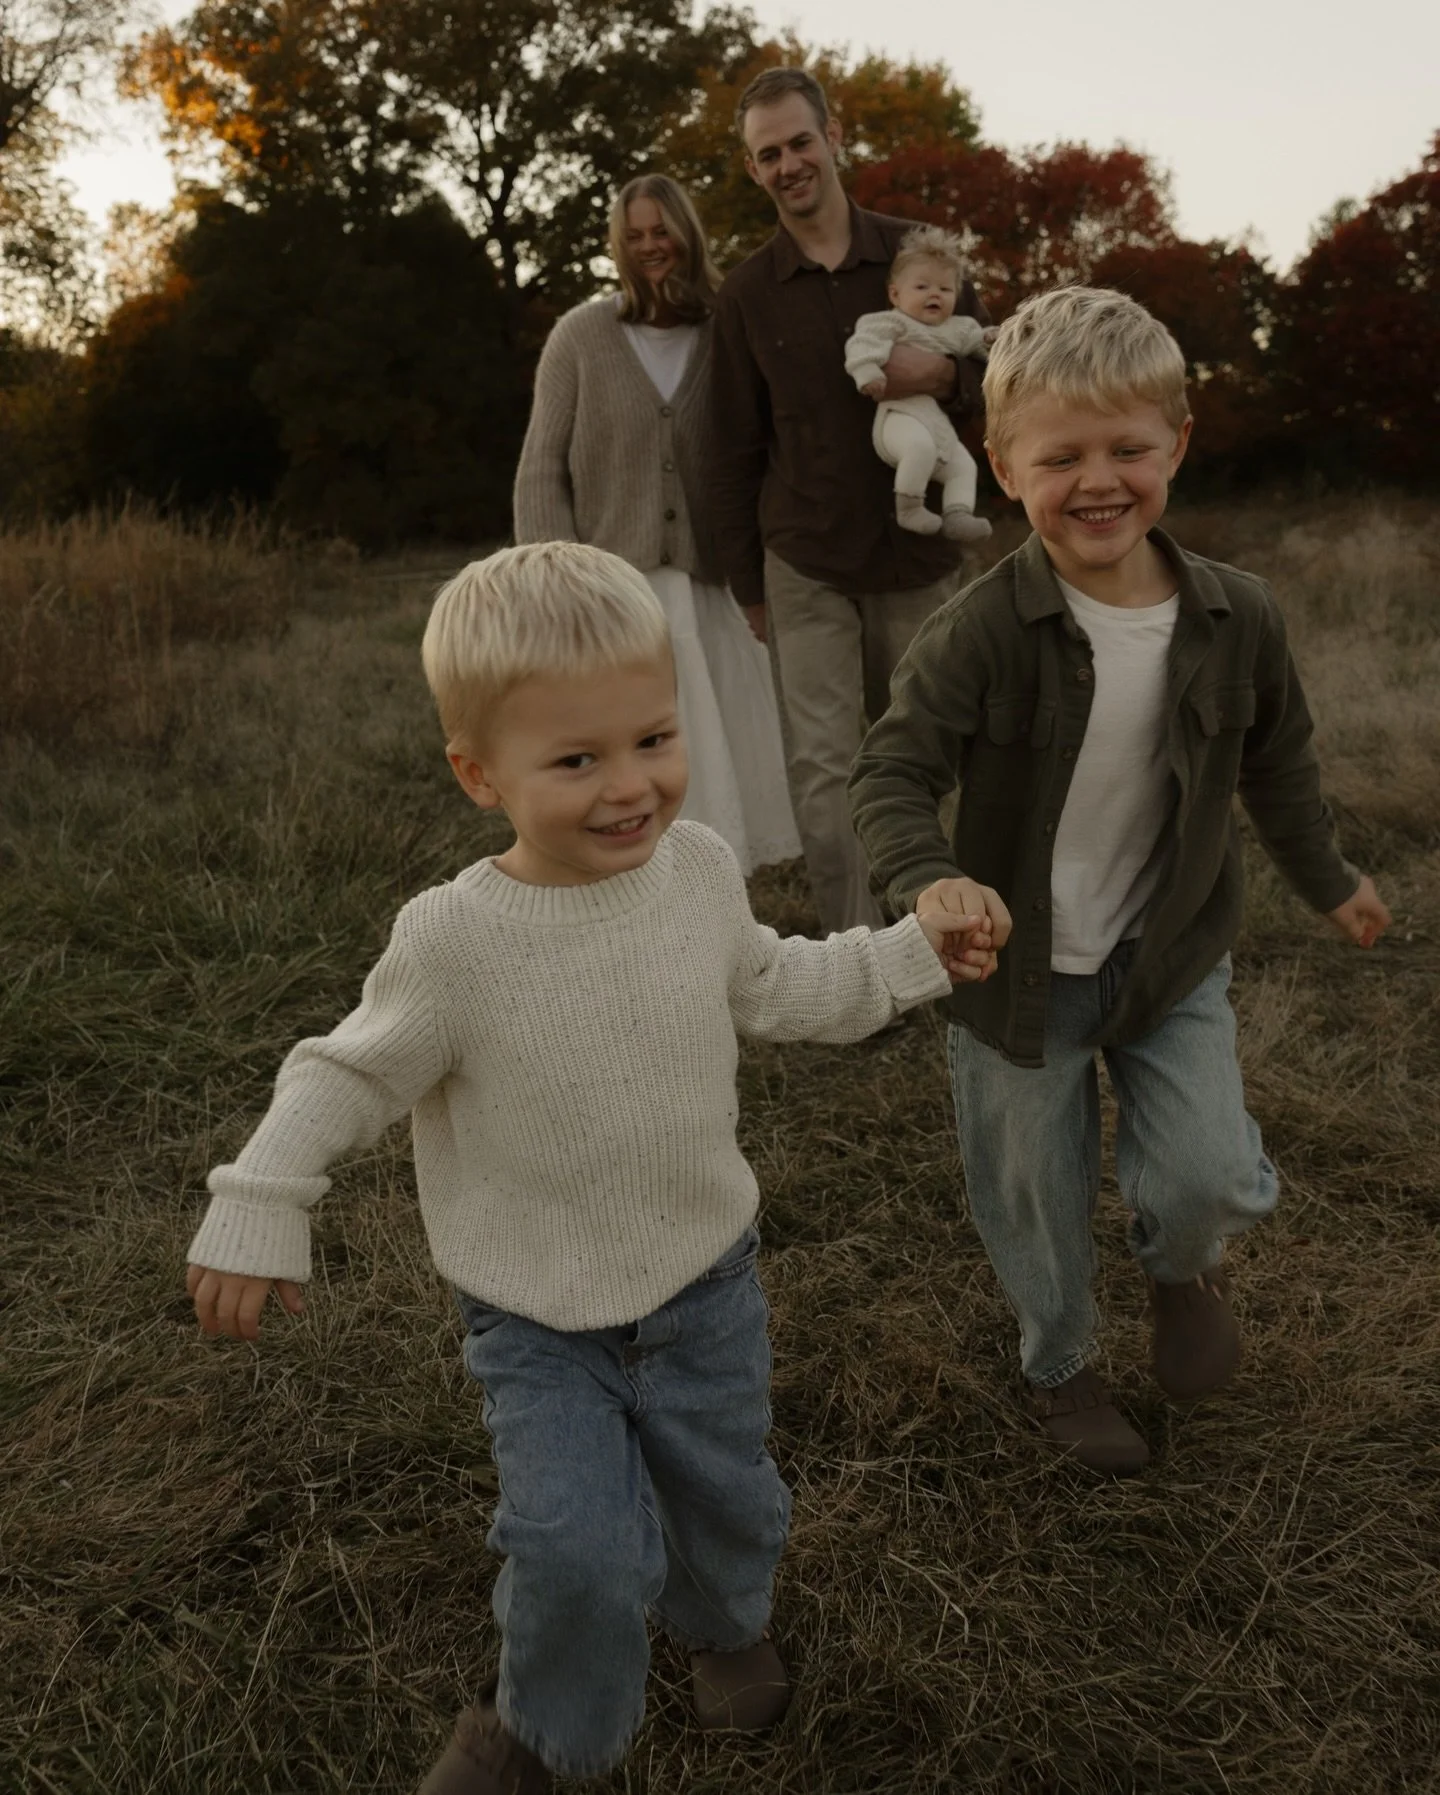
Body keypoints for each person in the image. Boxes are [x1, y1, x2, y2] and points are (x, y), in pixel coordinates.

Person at [184, 542, 995, 1792]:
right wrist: (259, 1201)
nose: (632, 788)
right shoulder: (454, 940)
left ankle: (724, 1622)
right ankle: (540, 1737)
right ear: (478, 774)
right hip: (535, 1311)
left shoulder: (699, 873)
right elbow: (346, 1071)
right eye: (576, 761)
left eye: (654, 740)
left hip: (701, 1280)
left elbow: (779, 982)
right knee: (574, 1547)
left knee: (725, 1499)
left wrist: (911, 955)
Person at [848, 286, 1391, 1477]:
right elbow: (890, 770)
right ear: (1001, 465)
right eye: (1063, 457)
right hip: (1012, 972)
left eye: (1129, 450)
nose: (1100, 481)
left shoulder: (1236, 617)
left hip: (1169, 952)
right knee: (1034, 1194)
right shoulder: (983, 627)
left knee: (1205, 1171)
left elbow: (1281, 766)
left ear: (1177, 447)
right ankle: (1065, 1366)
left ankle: (1178, 1263)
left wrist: (1331, 877)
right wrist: (931, 881)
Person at [710, 66, 990, 936]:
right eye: (769, 154)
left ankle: (943, 934)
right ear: (754, 170)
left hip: (917, 561)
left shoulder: (920, 255)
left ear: (833, 139)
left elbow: (1005, 381)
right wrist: (748, 587)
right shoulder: (748, 292)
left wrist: (939, 372)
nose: (789, 163)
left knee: (929, 756)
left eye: (800, 142)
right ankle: (856, 958)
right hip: (807, 562)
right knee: (826, 769)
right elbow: (729, 443)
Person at [514, 172, 799, 877]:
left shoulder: (723, 330)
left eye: (661, 230)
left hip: (712, 587)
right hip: (617, 589)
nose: (650, 246)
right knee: (628, 741)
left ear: (687, 234)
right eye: (635, 235)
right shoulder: (581, 335)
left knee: (717, 745)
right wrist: (555, 587)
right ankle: (643, 878)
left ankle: (717, 894)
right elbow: (541, 466)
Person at [844, 224, 997, 543]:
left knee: (963, 466)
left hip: (935, 420)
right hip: (897, 417)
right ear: (895, 294)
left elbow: (979, 349)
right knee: (919, 448)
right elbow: (862, 345)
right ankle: (909, 507)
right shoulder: (890, 322)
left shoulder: (959, 328)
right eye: (922, 287)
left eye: (944, 289)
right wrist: (868, 373)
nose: (934, 294)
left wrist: (992, 340)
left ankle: (957, 515)